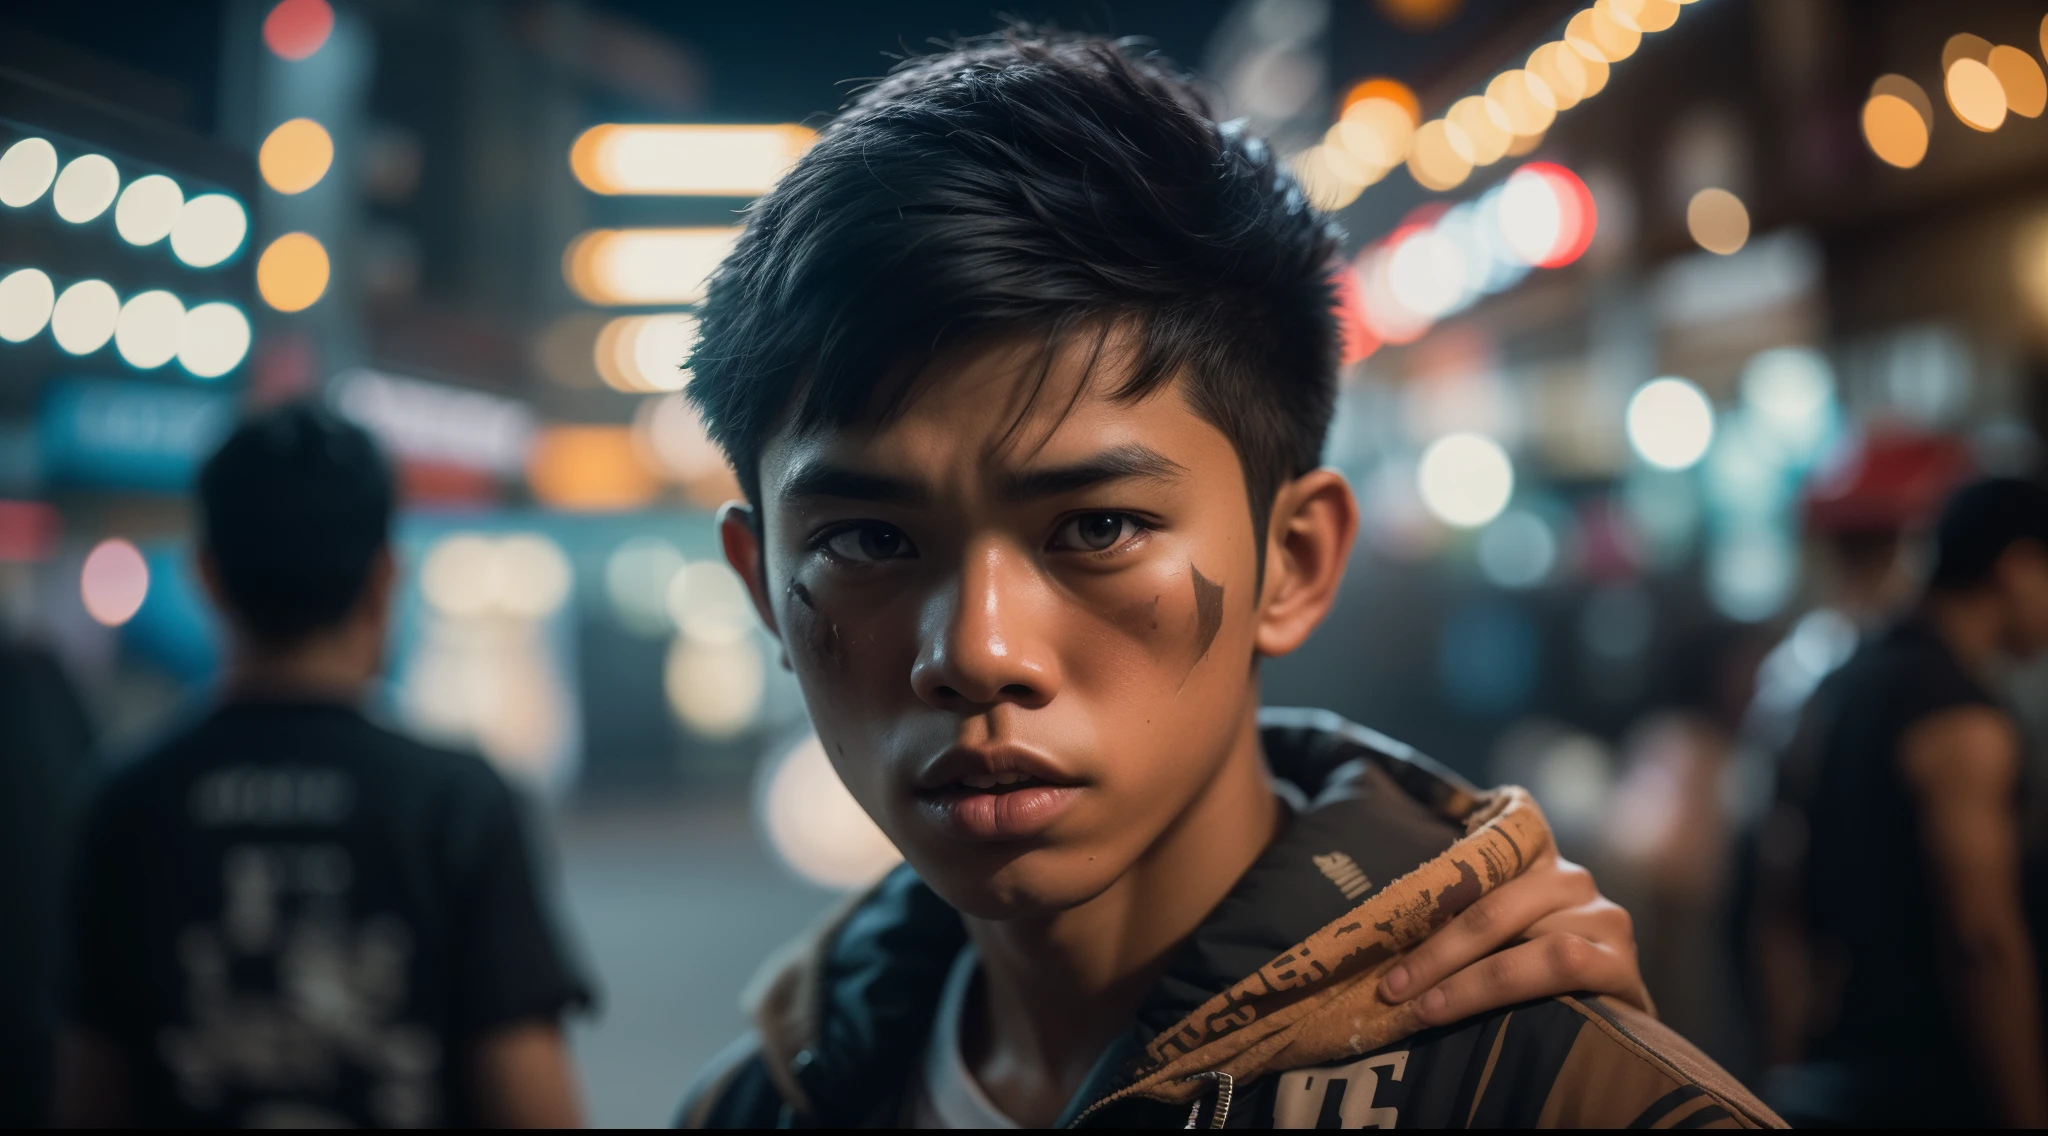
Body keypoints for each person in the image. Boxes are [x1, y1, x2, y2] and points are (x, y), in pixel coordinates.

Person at [675, 31, 1778, 1129]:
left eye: (1096, 526)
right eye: (868, 541)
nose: (974, 649)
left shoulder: (1557, 1095)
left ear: (1291, 561)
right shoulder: (754, 1103)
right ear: (762, 583)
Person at [55, 404, 592, 1128]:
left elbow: (90, 1094)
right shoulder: (459, 802)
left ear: (208, 578)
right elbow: (530, 1100)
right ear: (384, 580)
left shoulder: (126, 803)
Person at [1757, 477, 2048, 1127]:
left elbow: (1780, 896)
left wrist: (1780, 1074)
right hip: (1933, 1084)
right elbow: (1983, 942)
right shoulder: (1962, 721)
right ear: (2020, 568)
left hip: (1831, 1074)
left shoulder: (1842, 683)